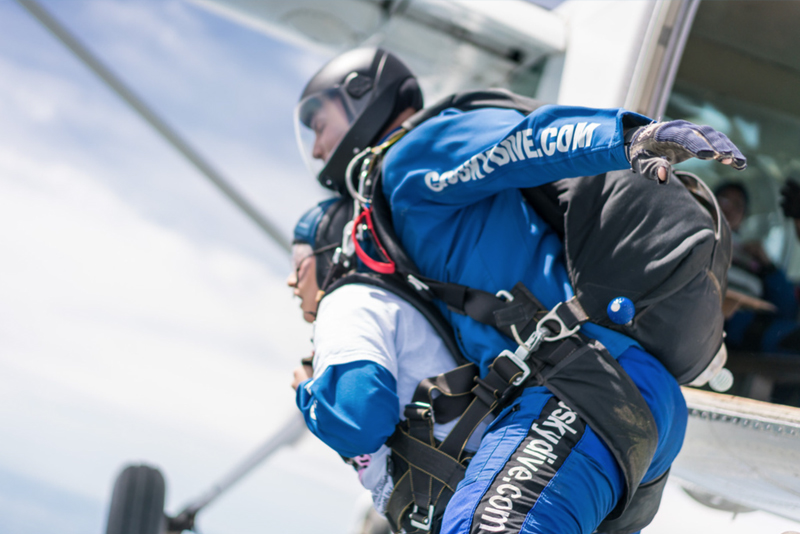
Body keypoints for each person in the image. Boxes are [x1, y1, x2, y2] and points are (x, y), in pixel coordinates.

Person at [293, 47, 746, 534]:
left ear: (362, 95)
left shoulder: (408, 157)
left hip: (583, 386)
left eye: (319, 125)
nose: (318, 149)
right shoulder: (397, 209)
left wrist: (625, 136)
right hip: (619, 401)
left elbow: (521, 144)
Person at [288, 197, 485, 520]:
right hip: (466, 497)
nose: (291, 280)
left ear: (332, 256)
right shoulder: (383, 300)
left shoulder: (346, 301)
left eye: (298, 261)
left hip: (460, 507)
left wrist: (307, 393)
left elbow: (358, 425)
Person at [716, 181, 800, 354]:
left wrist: (768, 267)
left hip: (749, 330)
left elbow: (787, 309)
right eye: (724, 201)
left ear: (744, 216)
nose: (729, 209)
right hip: (711, 320)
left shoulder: (753, 257)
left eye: (738, 205)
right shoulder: (694, 238)